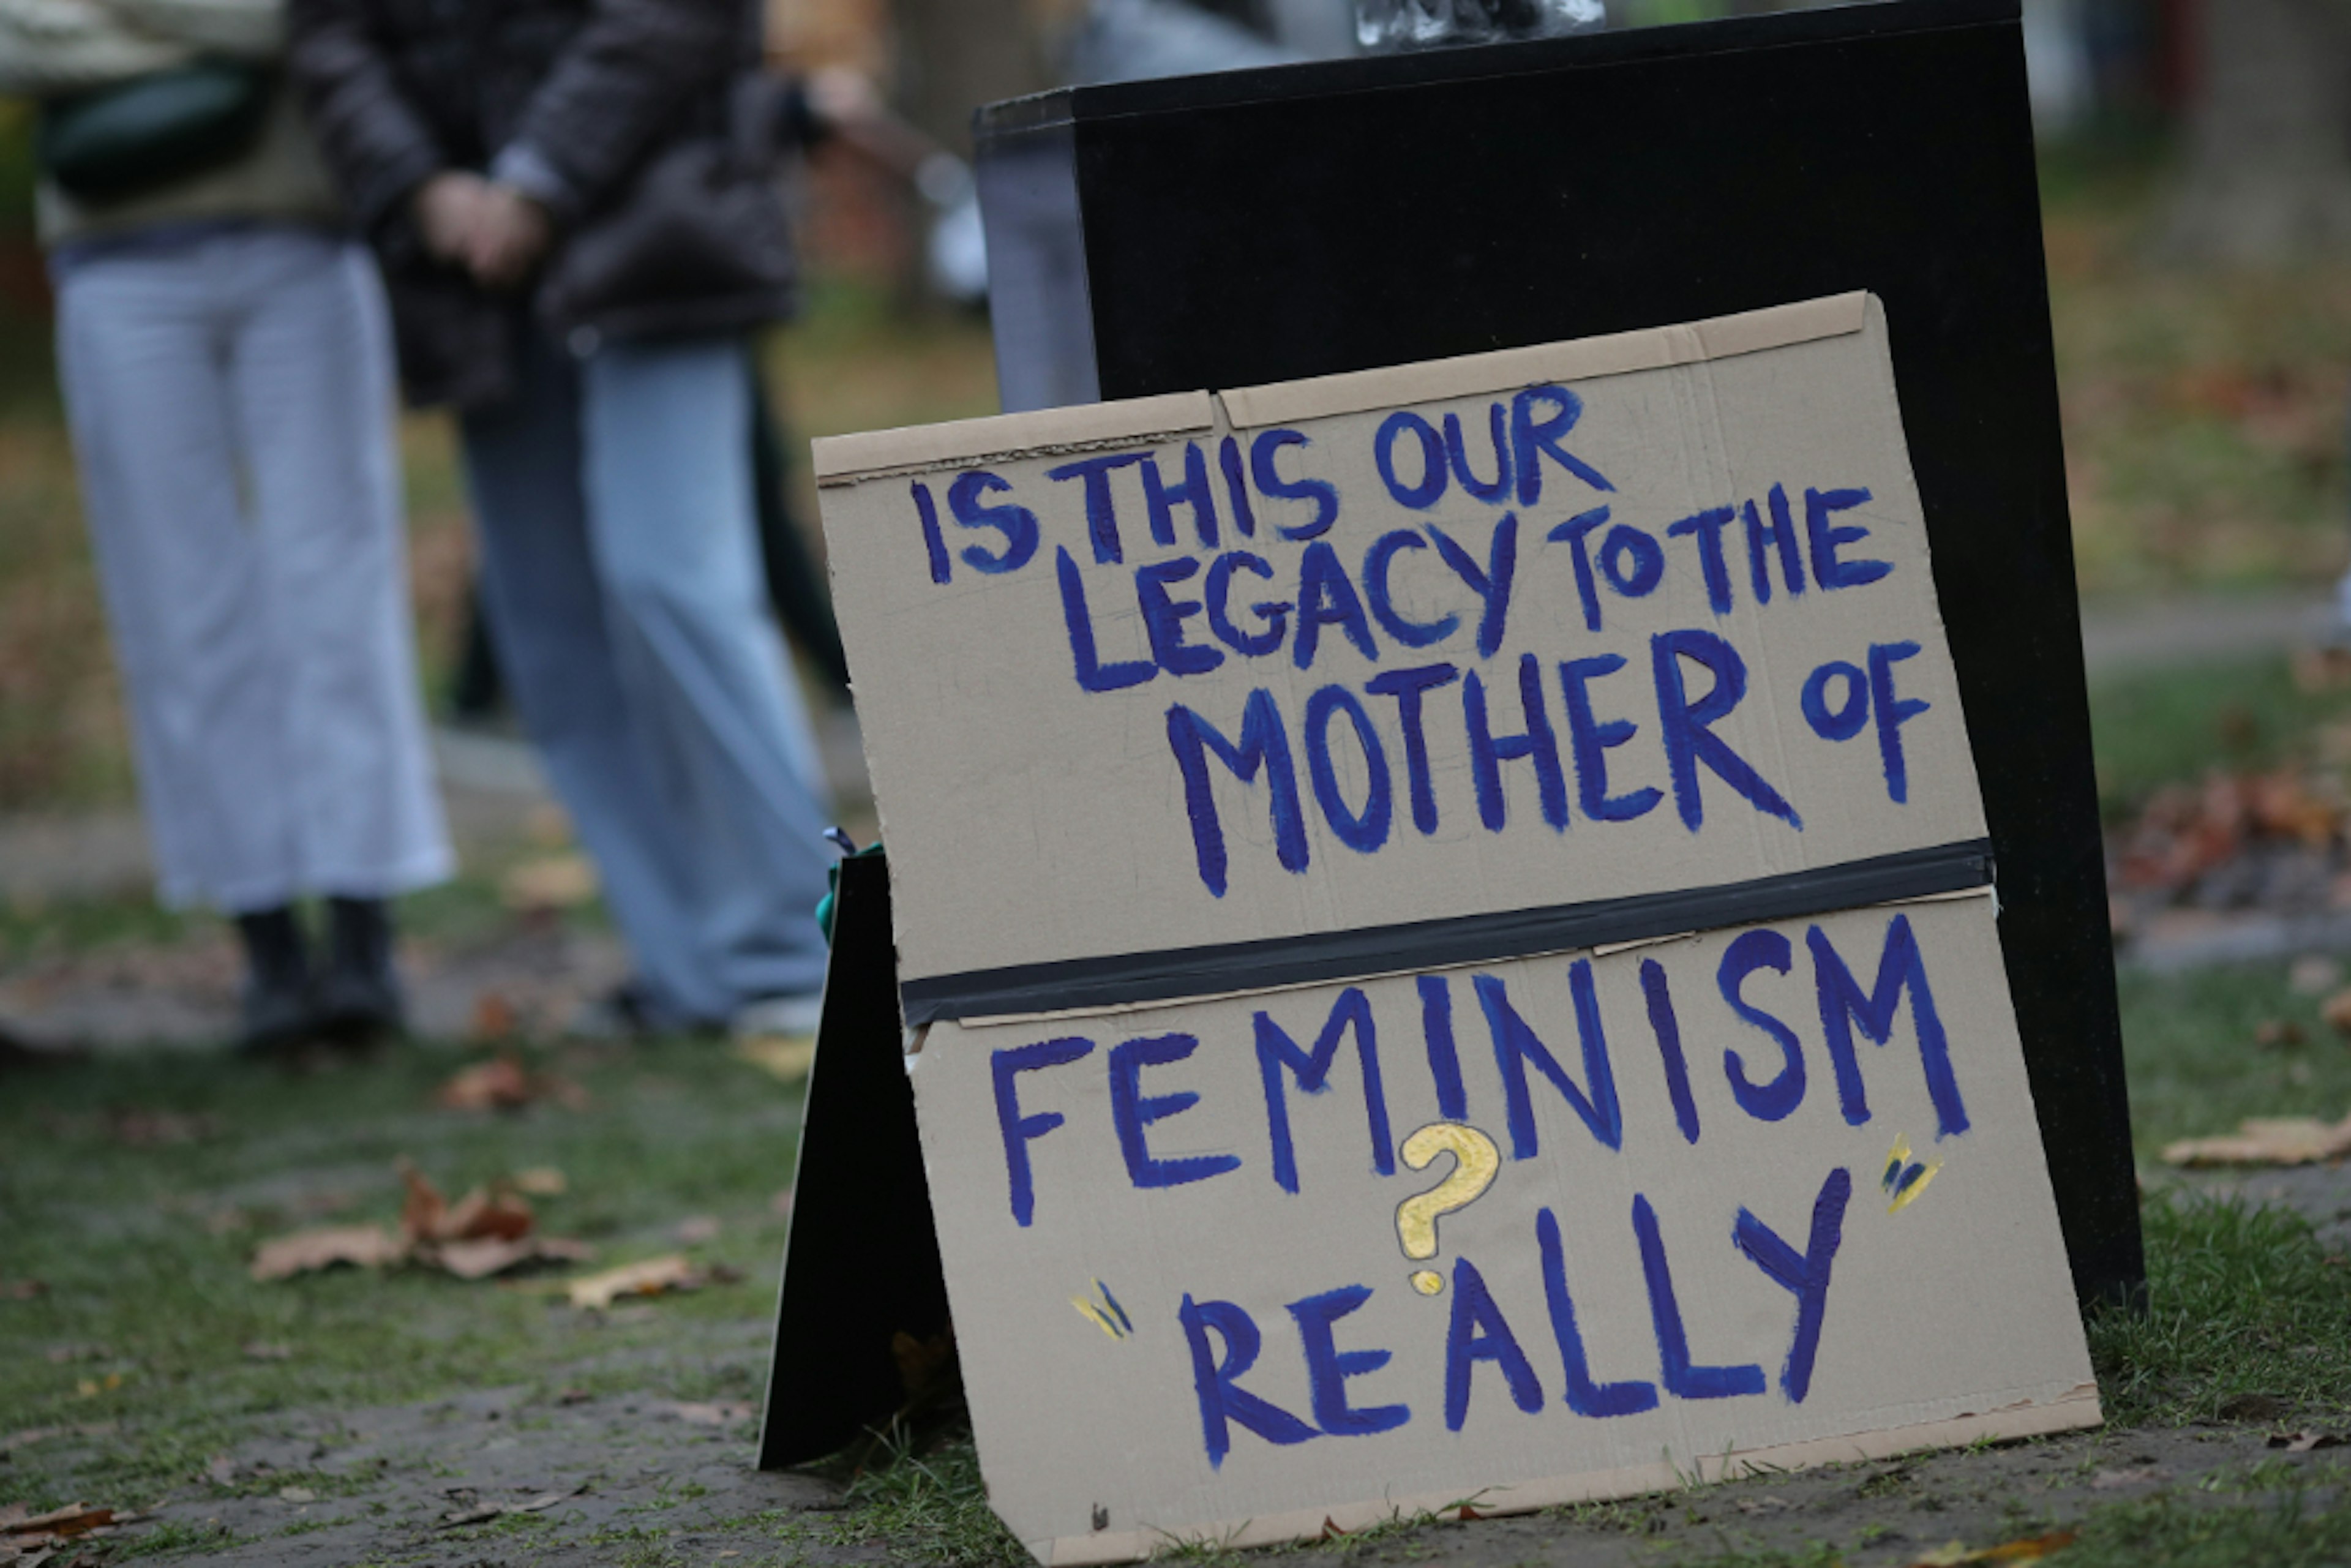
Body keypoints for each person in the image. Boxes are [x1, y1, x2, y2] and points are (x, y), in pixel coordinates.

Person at [286, 0, 841, 1037]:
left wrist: (541, 175)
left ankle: (796, 944)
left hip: (660, 221)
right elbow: (330, 35)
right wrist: (422, 187)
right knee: (551, 637)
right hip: (468, 273)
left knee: (672, 578)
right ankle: (681, 966)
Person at [0, 0, 452, 1050]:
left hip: (302, 241)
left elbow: (306, 21)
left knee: (334, 586)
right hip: (115, 266)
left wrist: (121, 14)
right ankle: (266, 947)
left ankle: (361, 936)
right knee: (178, 603)